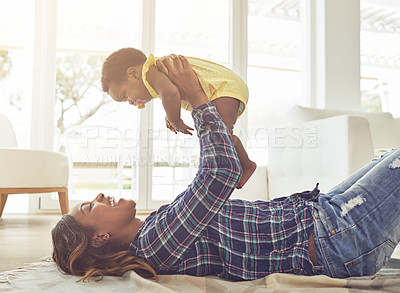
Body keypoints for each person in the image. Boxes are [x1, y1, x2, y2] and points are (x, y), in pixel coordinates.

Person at [52, 56, 400, 283]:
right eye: (88, 207)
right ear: (100, 238)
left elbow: (221, 175)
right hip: (335, 237)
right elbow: (219, 172)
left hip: (323, 212)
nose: (98, 196)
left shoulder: (158, 226)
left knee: (389, 155)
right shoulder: (156, 242)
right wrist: (197, 99)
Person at [100, 47, 256, 189]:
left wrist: (174, 119)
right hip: (222, 90)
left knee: (219, 139)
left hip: (223, 88)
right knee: (222, 139)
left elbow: (171, 94)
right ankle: (245, 166)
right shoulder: (154, 77)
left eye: (125, 95)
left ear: (133, 74)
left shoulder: (150, 72)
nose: (130, 101)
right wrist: (170, 113)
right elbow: (169, 96)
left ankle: (242, 168)